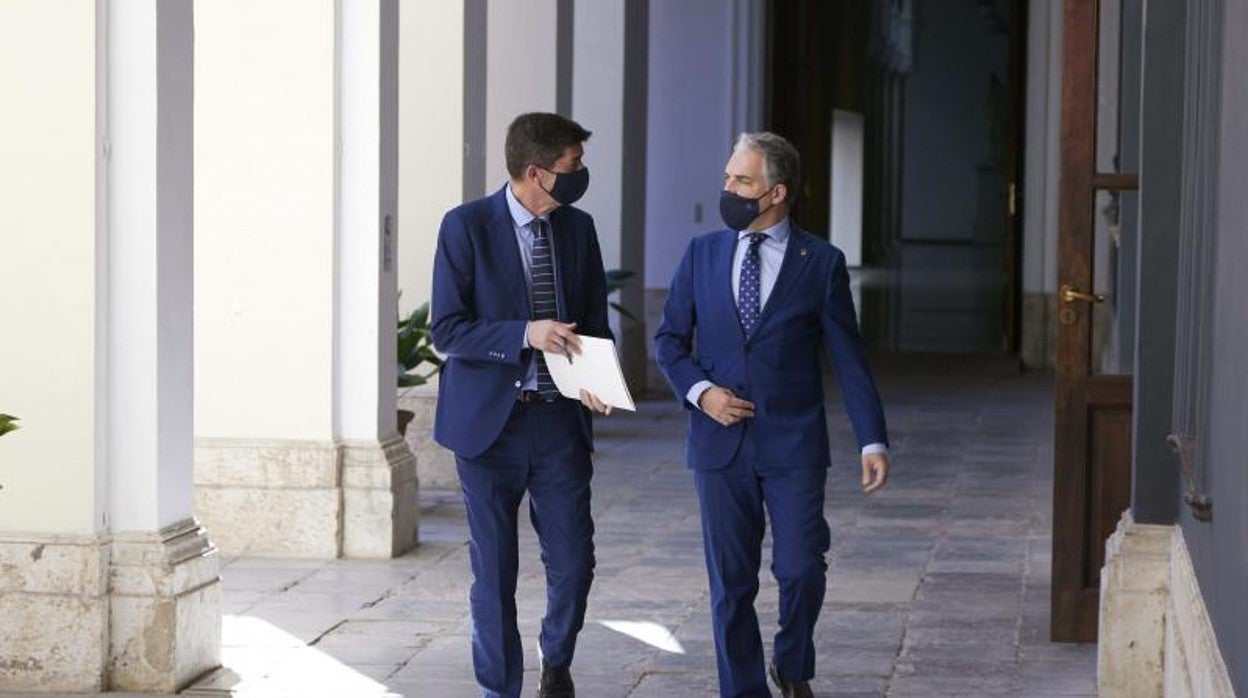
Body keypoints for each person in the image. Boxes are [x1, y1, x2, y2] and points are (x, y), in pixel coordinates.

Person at [654, 132, 890, 698]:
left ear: (776, 192)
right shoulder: (701, 254)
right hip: (719, 443)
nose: (728, 189)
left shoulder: (822, 263)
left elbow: (848, 357)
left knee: (802, 567)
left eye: (742, 180)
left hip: (793, 444)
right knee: (730, 583)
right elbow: (668, 342)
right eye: (728, 177)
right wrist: (702, 393)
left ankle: (792, 661)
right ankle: (743, 690)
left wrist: (872, 440)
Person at [430, 112, 614, 698]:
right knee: (494, 575)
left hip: (559, 424)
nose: (582, 175)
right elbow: (449, 331)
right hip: (487, 430)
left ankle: (555, 657)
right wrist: (523, 334)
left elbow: (593, 321)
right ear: (536, 172)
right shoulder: (465, 228)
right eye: (573, 167)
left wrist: (597, 381)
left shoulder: (578, 228)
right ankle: (499, 688)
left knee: (574, 563)